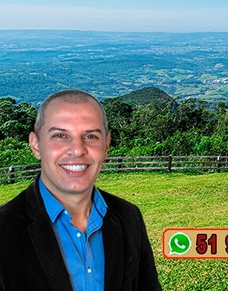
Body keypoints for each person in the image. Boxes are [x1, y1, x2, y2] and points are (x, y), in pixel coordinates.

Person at [0, 89, 162, 291]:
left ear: (106, 145)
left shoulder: (129, 217)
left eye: (91, 136)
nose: (77, 150)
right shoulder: (4, 229)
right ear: (36, 145)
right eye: (60, 135)